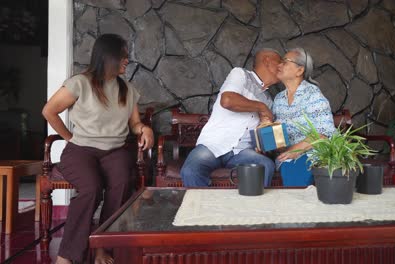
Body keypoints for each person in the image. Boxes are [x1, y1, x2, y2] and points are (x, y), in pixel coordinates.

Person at [42, 34, 154, 264]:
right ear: (109, 56)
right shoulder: (79, 83)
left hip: (114, 151)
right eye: (124, 56)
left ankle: (103, 249)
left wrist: (145, 129)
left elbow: (134, 124)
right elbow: (49, 111)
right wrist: (69, 137)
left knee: (122, 182)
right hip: (81, 151)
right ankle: (67, 255)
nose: (127, 61)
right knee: (91, 188)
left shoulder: (128, 89)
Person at [180, 48, 282, 187]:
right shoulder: (241, 74)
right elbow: (227, 100)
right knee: (190, 171)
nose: (282, 67)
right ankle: (203, 208)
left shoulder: (270, 100)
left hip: (242, 152)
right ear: (267, 61)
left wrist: (266, 144)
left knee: (265, 165)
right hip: (213, 144)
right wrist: (261, 107)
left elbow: (269, 142)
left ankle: (252, 208)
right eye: (280, 62)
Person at [272, 48, 335, 186]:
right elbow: (276, 132)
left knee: (297, 170)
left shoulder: (313, 95)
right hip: (287, 156)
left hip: (313, 153)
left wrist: (295, 151)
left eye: (285, 62)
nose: (279, 65)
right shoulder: (278, 99)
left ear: (300, 71)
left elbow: (324, 133)